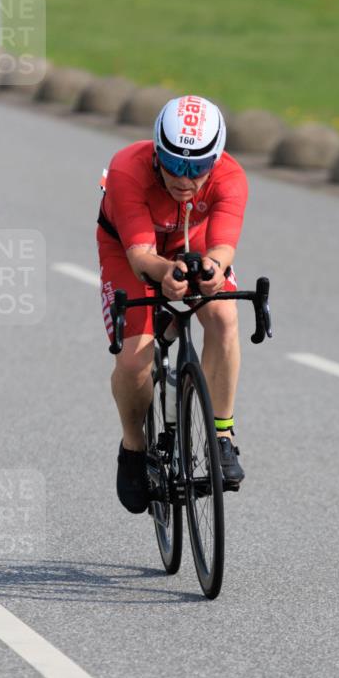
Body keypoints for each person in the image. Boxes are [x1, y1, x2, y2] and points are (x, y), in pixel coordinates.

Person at [97, 95, 249, 514]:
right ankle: (133, 447)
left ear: (215, 161)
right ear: (156, 153)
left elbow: (222, 245)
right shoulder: (128, 169)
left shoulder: (231, 177)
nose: (185, 178)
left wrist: (215, 269)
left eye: (198, 167)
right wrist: (164, 273)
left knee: (222, 314)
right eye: (174, 165)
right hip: (130, 246)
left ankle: (222, 434)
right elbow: (141, 257)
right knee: (133, 361)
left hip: (192, 240)